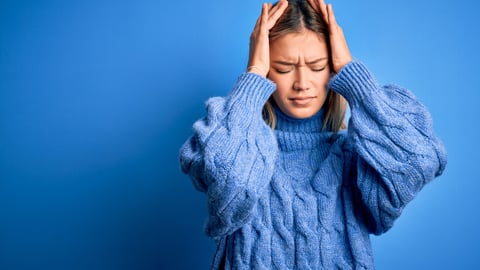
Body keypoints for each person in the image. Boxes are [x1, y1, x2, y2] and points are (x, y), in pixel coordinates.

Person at [179, 0, 447, 268]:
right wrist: (253, 75)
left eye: (317, 67)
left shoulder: (355, 158)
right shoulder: (238, 147)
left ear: (332, 68)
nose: (302, 84)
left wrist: (354, 77)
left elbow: (420, 161)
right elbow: (231, 183)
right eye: (283, 68)